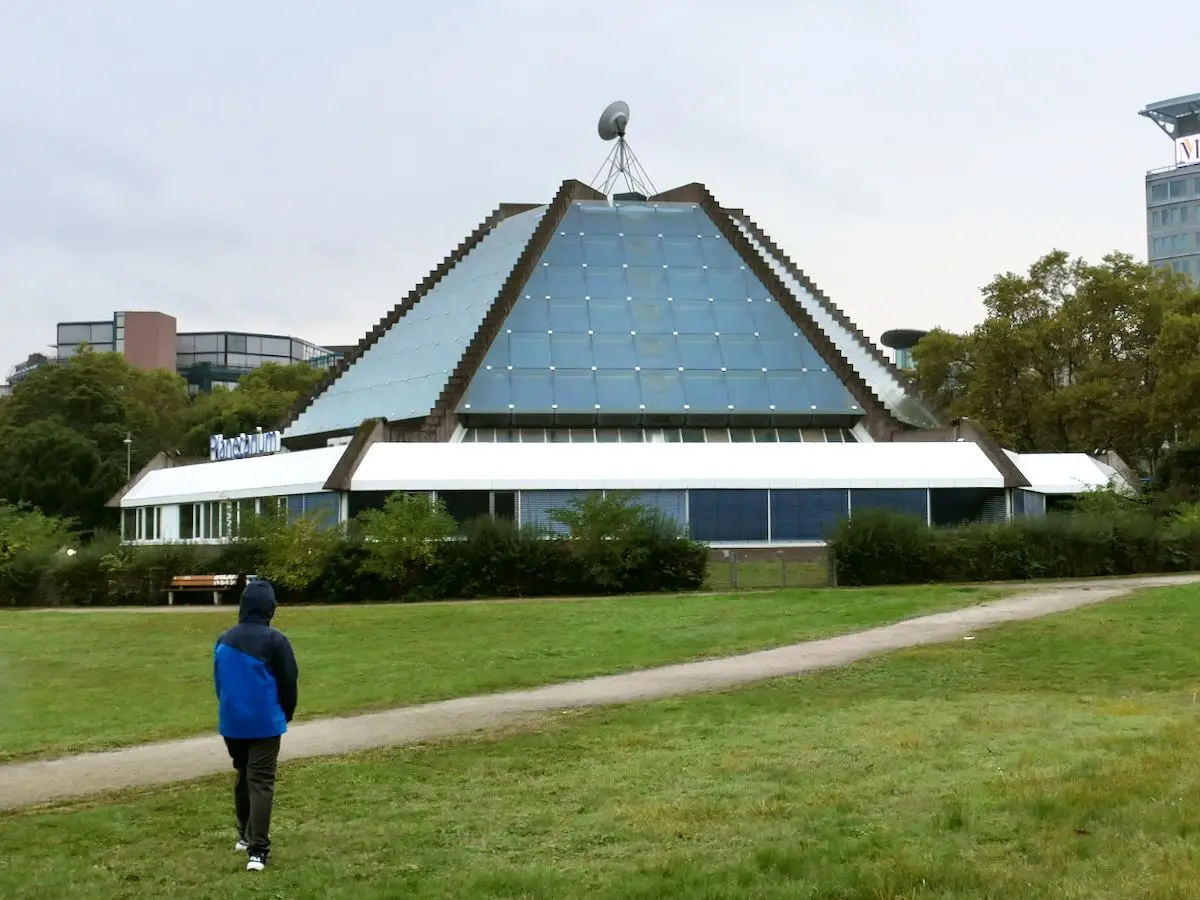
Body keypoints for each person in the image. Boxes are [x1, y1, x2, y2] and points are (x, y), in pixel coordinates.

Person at [213, 578, 298, 872]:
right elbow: (289, 682)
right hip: (264, 722)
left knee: (244, 773)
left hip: (232, 722)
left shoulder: (224, 639)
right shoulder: (275, 641)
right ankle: (258, 850)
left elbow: (219, 683)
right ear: (270, 609)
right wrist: (286, 713)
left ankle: (244, 834)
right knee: (261, 781)